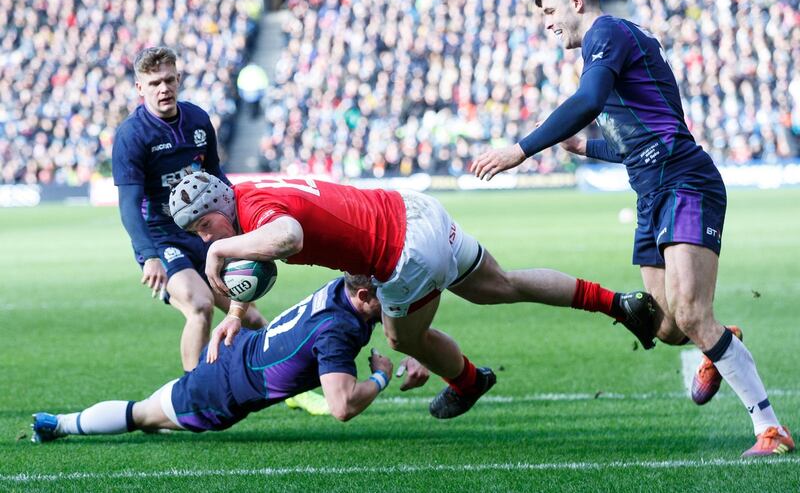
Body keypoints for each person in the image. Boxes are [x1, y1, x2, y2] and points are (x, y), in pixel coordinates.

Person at [471, 0, 793, 457]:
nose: (548, 24)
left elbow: (588, 99)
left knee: (689, 311)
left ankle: (770, 429)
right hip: (650, 189)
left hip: (682, 179)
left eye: (551, 11)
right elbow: (630, 143)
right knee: (666, 327)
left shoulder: (608, 32)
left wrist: (521, 149)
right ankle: (721, 339)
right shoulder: (617, 42)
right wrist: (586, 149)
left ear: (577, 2)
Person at [167, 171, 656, 420]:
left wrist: (220, 252)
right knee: (501, 285)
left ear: (218, 206)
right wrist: (235, 309)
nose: (208, 240)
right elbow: (266, 249)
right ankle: (617, 303)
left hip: (402, 254)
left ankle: (467, 382)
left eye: (206, 228)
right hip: (415, 211)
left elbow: (288, 236)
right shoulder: (248, 191)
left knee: (404, 341)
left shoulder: (252, 211)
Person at [31, 274, 429, 443]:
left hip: (237, 361)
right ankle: (59, 425)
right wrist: (380, 376)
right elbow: (341, 407)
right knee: (141, 414)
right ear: (363, 297)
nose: (397, 303)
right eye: (388, 296)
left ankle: (156, 420)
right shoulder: (339, 330)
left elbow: (380, 322)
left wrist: (410, 349)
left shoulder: (341, 292)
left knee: (157, 414)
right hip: (222, 389)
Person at [112, 46, 268, 373]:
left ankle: (284, 384)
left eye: (169, 80)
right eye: (154, 83)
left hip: (205, 235)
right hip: (163, 241)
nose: (163, 88)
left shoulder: (197, 120)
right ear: (140, 88)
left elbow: (216, 175)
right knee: (200, 305)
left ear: (179, 79)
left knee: (251, 316)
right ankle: (191, 397)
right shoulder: (131, 135)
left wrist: (239, 220)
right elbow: (128, 204)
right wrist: (148, 255)